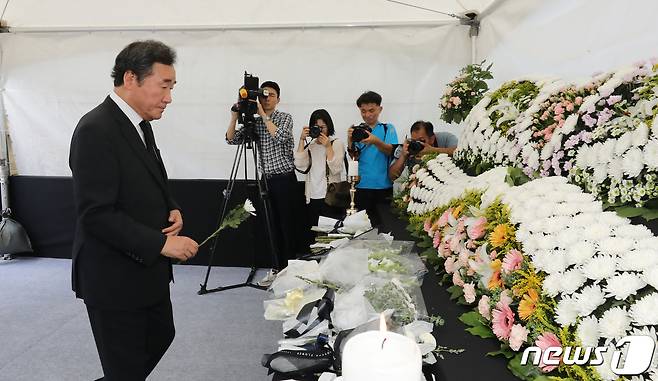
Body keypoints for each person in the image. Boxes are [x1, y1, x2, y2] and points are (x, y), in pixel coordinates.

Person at [69, 40, 199, 381]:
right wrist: (161, 244)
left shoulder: (140, 124)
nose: (169, 97)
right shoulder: (96, 130)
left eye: (172, 87)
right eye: (164, 86)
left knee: (160, 336)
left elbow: (146, 178)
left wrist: (171, 206)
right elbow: (96, 214)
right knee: (125, 368)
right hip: (112, 276)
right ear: (131, 78)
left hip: (144, 270)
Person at [226, 80, 304, 283]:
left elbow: (280, 137)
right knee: (271, 226)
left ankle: (291, 269)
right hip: (266, 180)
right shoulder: (255, 122)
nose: (267, 98)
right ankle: (277, 268)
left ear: (278, 99)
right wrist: (235, 116)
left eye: (271, 95)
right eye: (263, 95)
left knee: (287, 226)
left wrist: (262, 115)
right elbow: (231, 139)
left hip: (285, 179)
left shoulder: (285, 118)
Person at [347, 91, 398, 227]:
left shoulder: (388, 129)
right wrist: (350, 139)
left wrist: (376, 141)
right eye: (363, 111)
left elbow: (392, 152)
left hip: (384, 187)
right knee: (362, 229)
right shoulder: (359, 131)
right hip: (361, 186)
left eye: (371, 110)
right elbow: (354, 156)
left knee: (384, 228)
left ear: (380, 109)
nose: (367, 115)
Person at [294, 109, 346, 234]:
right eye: (317, 127)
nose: (320, 130)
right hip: (312, 197)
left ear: (329, 126)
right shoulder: (310, 145)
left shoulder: (336, 143)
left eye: (323, 127)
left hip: (330, 196)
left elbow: (336, 169)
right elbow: (299, 165)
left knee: (331, 234)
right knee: (316, 234)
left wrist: (328, 147)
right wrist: (301, 140)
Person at [389, 120, 458, 182]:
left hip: (447, 180)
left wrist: (433, 150)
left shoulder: (445, 138)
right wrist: (403, 156)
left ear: (432, 139)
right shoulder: (409, 146)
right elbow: (392, 176)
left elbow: (459, 152)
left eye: (421, 140)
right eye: (414, 141)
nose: (417, 144)